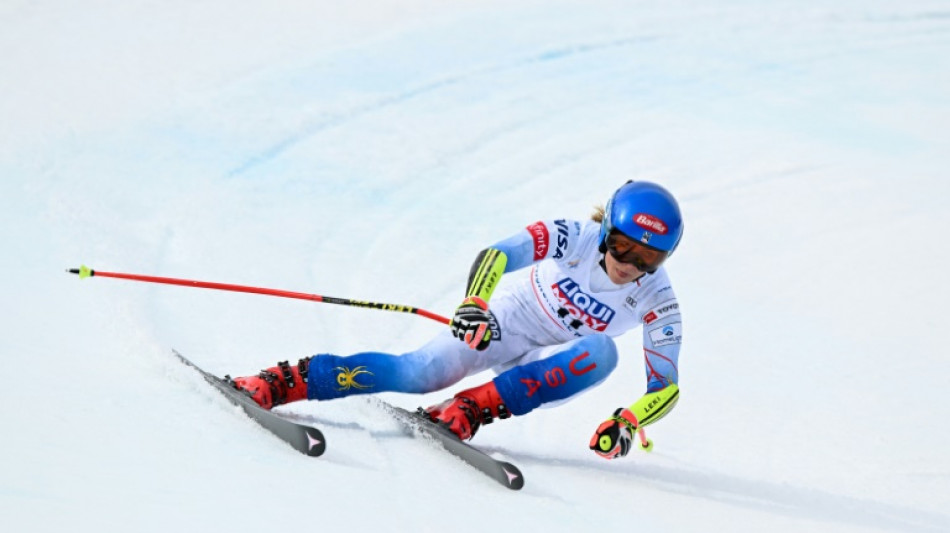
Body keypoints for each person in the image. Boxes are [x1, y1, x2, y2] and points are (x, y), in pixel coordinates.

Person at [229, 180, 684, 460]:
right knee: (419, 372)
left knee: (602, 352)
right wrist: (475, 304)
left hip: (553, 364)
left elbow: (665, 388)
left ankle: (471, 408)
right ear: (606, 232)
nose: (629, 264)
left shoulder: (658, 300)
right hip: (508, 319)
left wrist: (628, 421)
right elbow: (500, 254)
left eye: (648, 258)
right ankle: (282, 381)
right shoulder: (576, 236)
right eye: (623, 245)